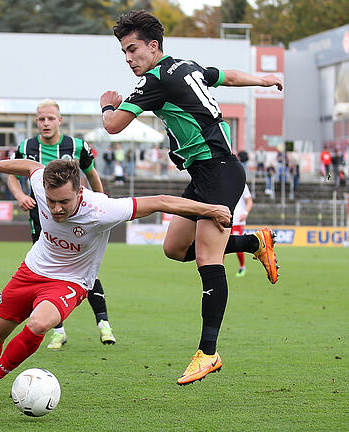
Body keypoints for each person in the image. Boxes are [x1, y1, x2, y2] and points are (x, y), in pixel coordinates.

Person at [0, 149, 233, 409]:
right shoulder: (42, 184)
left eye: (64, 202)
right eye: (51, 202)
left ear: (79, 191)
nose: (57, 209)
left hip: (71, 282)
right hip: (31, 270)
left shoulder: (102, 209)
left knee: (39, 323)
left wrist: (211, 210)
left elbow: (160, 202)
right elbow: (31, 167)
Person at [99, 10, 280, 385]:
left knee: (206, 258)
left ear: (154, 46)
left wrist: (107, 104)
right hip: (204, 173)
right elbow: (227, 76)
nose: (129, 58)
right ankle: (254, 241)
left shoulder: (154, 81)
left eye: (133, 49)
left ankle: (208, 352)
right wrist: (262, 80)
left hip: (219, 171)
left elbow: (113, 126)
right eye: (124, 53)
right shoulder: (187, 66)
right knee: (174, 248)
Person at [6, 99, 116, 349]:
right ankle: (59, 330)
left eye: (50, 119)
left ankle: (103, 323)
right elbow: (11, 174)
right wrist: (21, 196)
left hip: (76, 218)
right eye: (41, 119)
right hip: (43, 218)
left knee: (85, 270)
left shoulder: (76, 146)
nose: (45, 123)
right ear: (36, 121)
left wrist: (102, 204)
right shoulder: (27, 147)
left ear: (59, 120)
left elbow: (92, 174)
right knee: (48, 272)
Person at [232, 185, 253, 277]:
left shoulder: (243, 185)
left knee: (237, 245)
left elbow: (249, 201)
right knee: (221, 246)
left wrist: (245, 213)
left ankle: (242, 267)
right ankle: (218, 268)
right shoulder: (224, 180)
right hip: (225, 218)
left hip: (238, 221)